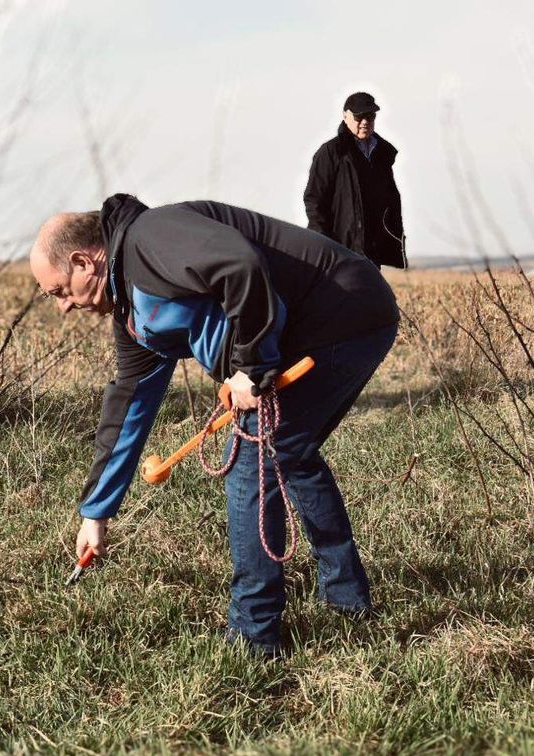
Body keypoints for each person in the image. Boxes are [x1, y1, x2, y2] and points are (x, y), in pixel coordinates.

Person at [30, 195, 399, 657]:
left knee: (253, 466)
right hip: (336, 321)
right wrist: (95, 513)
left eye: (59, 291)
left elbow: (238, 265)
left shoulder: (150, 238)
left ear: (84, 261)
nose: (63, 307)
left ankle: (253, 637)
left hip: (343, 311)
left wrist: (254, 365)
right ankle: (349, 604)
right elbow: (128, 407)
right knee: (290, 456)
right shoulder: (134, 315)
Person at [304, 92, 407, 269]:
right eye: (359, 116)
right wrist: (323, 245)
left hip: (372, 250)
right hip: (340, 249)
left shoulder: (382, 154)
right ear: (345, 116)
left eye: (371, 116)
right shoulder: (330, 152)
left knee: (369, 295)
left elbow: (389, 199)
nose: (365, 121)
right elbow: (314, 200)